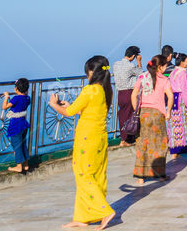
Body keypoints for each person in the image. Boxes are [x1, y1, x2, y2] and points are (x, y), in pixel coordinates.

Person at [48, 55, 115, 230]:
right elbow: (89, 112)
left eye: (88, 72)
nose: (87, 75)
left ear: (93, 72)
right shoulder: (105, 90)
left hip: (87, 138)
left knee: (83, 174)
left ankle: (105, 211)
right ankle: (82, 217)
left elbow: (68, 112)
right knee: (96, 175)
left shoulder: (89, 90)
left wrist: (54, 104)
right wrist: (72, 106)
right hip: (100, 138)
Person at [131, 54, 173, 183]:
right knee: (159, 144)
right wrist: (168, 112)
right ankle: (159, 175)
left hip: (143, 113)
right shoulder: (164, 80)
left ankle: (141, 177)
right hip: (157, 114)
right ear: (160, 67)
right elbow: (170, 97)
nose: (166, 68)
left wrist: (136, 110)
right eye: (165, 65)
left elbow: (134, 95)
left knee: (142, 143)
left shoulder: (142, 77)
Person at [167, 53, 187, 159]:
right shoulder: (182, 73)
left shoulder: (173, 72)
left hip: (174, 100)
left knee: (176, 125)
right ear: (182, 62)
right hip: (181, 100)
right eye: (186, 60)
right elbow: (185, 90)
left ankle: (175, 151)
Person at [113, 45, 141, 146]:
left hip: (120, 93)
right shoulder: (131, 66)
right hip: (129, 93)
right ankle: (126, 139)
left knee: (122, 115)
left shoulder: (116, 64)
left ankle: (124, 138)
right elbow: (140, 73)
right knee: (131, 116)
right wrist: (138, 61)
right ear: (133, 56)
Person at [2, 78, 31, 173]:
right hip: (23, 124)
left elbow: (4, 107)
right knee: (23, 144)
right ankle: (26, 164)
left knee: (17, 145)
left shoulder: (16, 98)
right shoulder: (27, 98)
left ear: (16, 89)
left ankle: (19, 166)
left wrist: (6, 96)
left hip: (16, 126)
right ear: (27, 89)